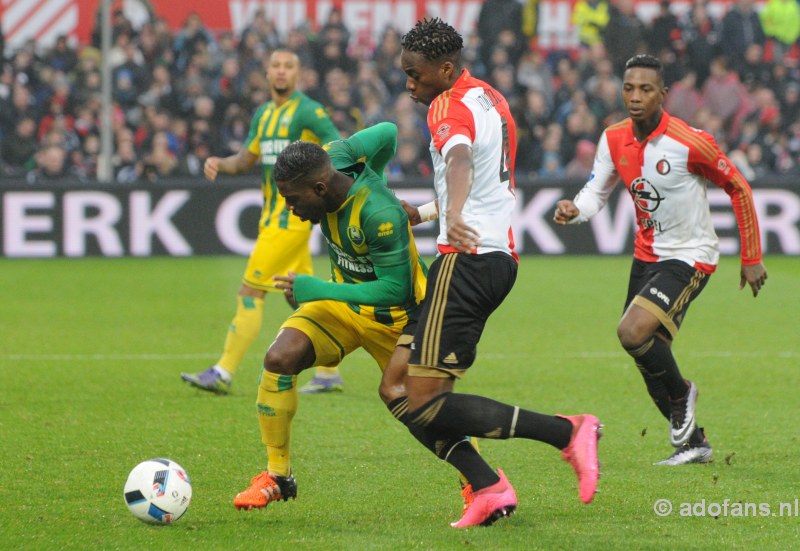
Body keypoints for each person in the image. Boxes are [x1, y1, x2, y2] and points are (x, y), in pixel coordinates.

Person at [380, 18, 602, 529]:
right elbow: (480, 171)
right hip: (489, 255)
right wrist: (429, 212)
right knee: (394, 386)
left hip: (468, 261)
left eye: (414, 75)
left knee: (423, 401)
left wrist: (453, 214)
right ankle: (486, 486)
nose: (409, 85)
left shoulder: (445, 104)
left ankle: (567, 432)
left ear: (445, 69)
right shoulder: (490, 98)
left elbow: (458, 160)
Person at [554, 54, 768, 466]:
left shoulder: (691, 141)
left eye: (645, 89)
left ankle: (683, 394)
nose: (635, 97)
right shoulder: (613, 138)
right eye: (629, 88)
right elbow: (596, 191)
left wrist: (751, 257)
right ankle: (693, 444)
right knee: (650, 356)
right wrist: (574, 210)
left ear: (663, 95)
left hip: (690, 256)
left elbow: (738, 187)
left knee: (632, 332)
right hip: (646, 255)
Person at [231, 122, 427, 509]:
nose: (290, 208)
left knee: (428, 408)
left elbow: (395, 290)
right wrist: (382, 173)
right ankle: (277, 476)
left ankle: (477, 482)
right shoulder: (334, 156)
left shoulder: (379, 214)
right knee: (279, 358)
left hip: (399, 320)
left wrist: (318, 289)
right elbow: (387, 131)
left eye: (293, 199)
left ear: (319, 190)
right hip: (343, 307)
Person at [180, 49, 347, 395]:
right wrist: (219, 163)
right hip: (271, 219)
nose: (282, 71)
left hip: (291, 221)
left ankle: (223, 371)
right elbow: (246, 159)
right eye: (276, 66)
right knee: (299, 296)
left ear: (297, 74)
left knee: (250, 290)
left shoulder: (308, 111)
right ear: (267, 73)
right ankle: (329, 371)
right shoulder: (263, 114)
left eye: (289, 66)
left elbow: (339, 148)